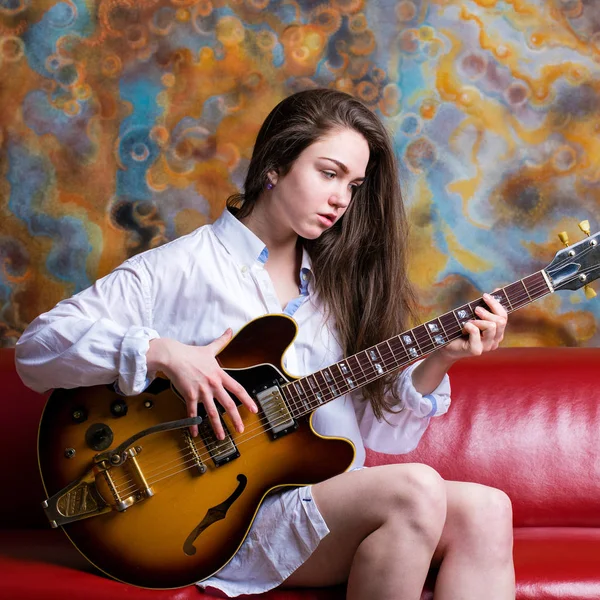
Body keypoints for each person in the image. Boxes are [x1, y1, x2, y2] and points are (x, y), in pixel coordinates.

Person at [15, 88, 514, 599]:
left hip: (327, 502)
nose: (342, 198)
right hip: (225, 514)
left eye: (355, 184)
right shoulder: (181, 267)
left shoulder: (336, 288)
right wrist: (163, 353)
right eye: (329, 173)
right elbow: (36, 352)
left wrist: (442, 358)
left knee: (489, 510)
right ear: (275, 165)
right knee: (415, 489)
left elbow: (382, 437)